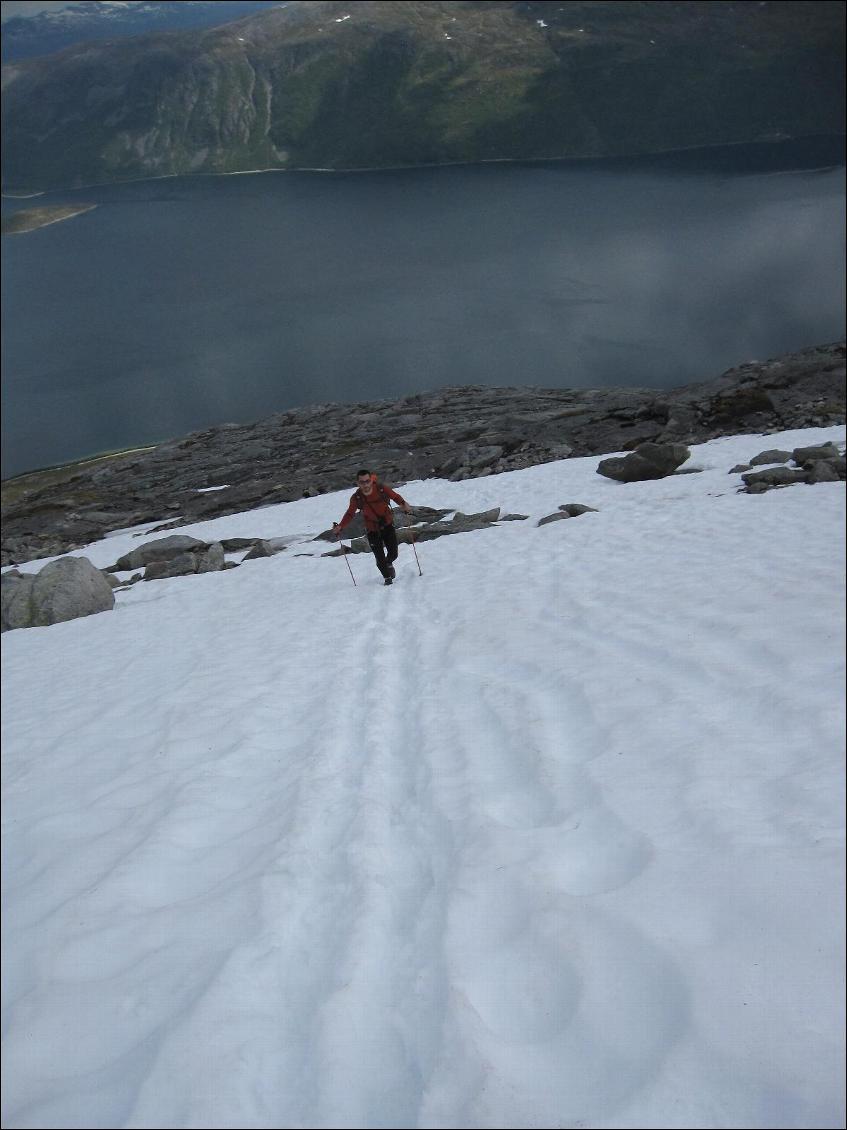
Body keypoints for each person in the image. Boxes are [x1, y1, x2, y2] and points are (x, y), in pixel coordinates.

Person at [333, 469, 411, 584]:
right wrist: (340, 527)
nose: (365, 484)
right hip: (372, 530)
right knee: (379, 558)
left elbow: (395, 496)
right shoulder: (357, 498)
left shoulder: (381, 489)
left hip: (387, 525)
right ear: (358, 483)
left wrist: (404, 504)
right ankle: (387, 578)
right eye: (362, 482)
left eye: (367, 481)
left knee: (393, 553)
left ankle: (389, 563)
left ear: (371, 480)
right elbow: (350, 513)